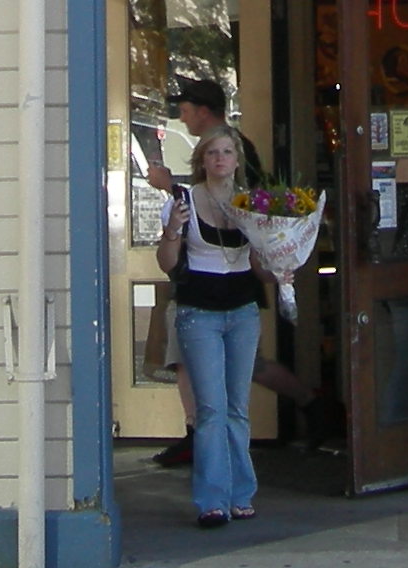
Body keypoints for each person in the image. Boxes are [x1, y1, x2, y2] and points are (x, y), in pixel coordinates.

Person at [143, 78, 322, 466]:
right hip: (203, 278)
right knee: (191, 357)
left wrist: (167, 184)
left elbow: (238, 206)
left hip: (232, 279)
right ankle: (202, 435)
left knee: (235, 366)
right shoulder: (218, 158)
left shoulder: (233, 152)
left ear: (204, 111)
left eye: (186, 110)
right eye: (213, 154)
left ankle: (308, 403)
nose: (183, 117)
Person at [156, 129, 263, 528]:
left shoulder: (251, 203)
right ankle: (212, 500)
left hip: (242, 310)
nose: (220, 159)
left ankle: (241, 493)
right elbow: (167, 263)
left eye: (227, 152)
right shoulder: (183, 201)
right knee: (211, 409)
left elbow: (261, 265)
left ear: (238, 159)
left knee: (237, 406)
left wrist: (281, 258)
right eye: (212, 153)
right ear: (202, 160)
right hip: (199, 310)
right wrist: (174, 230)